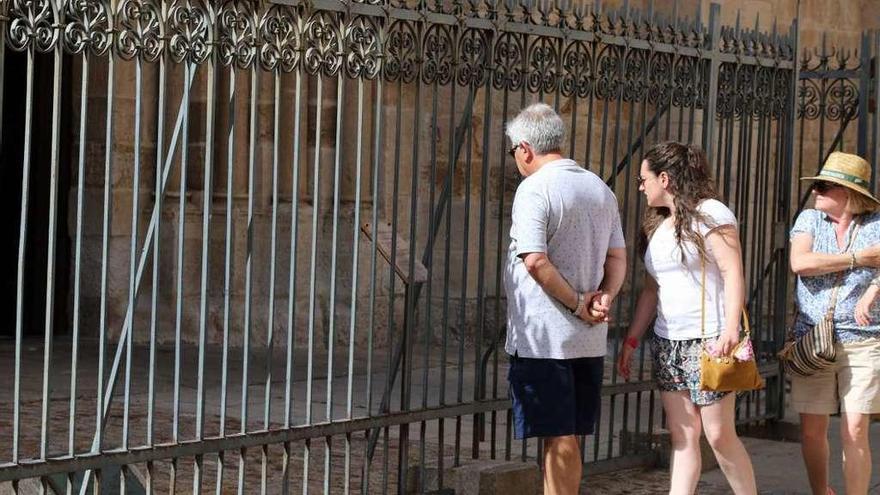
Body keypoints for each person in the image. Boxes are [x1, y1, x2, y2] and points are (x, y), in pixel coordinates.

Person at [617, 142, 757, 495]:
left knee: (719, 434)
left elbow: (732, 272)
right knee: (683, 435)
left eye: (643, 178)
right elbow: (652, 289)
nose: (640, 186)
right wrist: (633, 338)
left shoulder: (712, 213)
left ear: (664, 178)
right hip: (668, 340)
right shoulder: (657, 225)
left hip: (710, 338)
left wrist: (730, 329)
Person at [504, 103, 627, 495]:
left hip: (546, 339)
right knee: (567, 434)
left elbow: (535, 260)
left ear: (525, 149)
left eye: (513, 153)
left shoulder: (534, 188)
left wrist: (577, 303)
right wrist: (604, 297)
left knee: (559, 438)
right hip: (586, 338)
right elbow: (618, 257)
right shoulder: (598, 187)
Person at [788, 151, 880, 495]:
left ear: (848, 193)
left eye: (824, 186)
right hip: (813, 338)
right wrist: (858, 259)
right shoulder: (809, 220)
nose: (816, 191)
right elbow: (800, 262)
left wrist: (872, 289)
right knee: (812, 430)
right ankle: (820, 491)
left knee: (855, 428)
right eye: (817, 185)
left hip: (864, 337)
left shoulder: (876, 225)